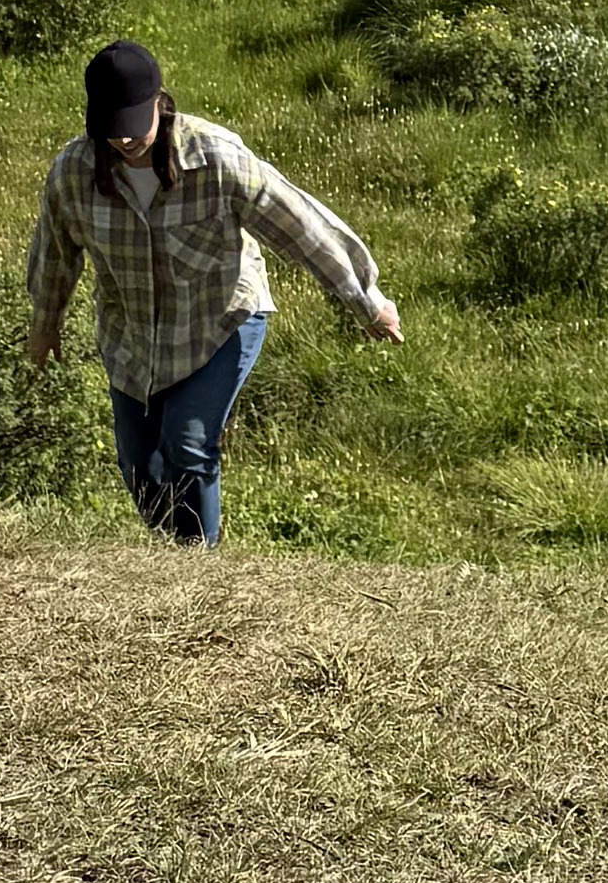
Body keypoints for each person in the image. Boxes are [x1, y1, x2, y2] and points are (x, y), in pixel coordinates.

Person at [26, 39, 402, 547]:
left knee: (188, 444)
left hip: (220, 319)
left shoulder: (218, 159)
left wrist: (366, 301)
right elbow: (55, 251)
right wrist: (45, 325)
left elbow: (303, 228)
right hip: (132, 336)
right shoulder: (73, 172)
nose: (124, 139)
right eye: (112, 128)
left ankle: (199, 566)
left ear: (161, 102)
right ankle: (172, 554)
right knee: (139, 468)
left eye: (135, 124)